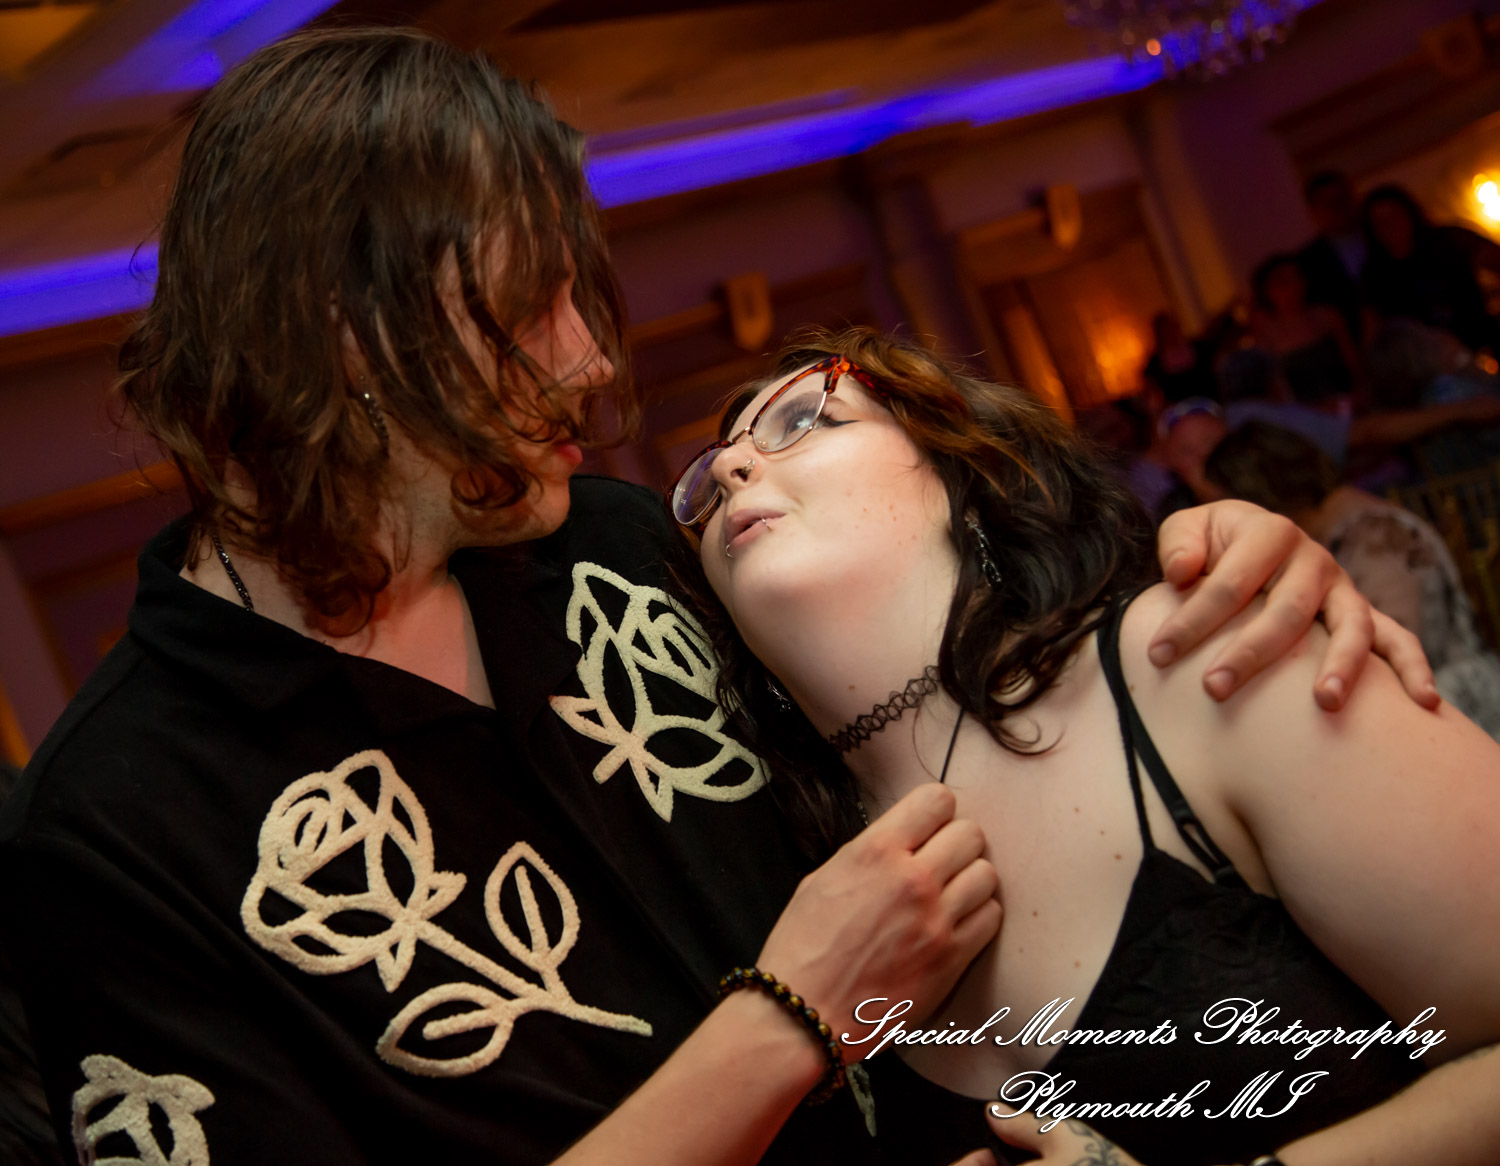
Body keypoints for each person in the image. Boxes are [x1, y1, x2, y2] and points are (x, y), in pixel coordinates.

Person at [0, 28, 1439, 1166]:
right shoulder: (118, 826)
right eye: (527, 309)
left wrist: (1240, 562)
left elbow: (960, 694)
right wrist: (790, 1015)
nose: (590, 368)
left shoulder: (617, 550)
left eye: (582, 298)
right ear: (346, 332)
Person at [667, 327, 1500, 1166]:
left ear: (963, 474)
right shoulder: (784, 884)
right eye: (711, 471)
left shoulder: (1201, 659)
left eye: (807, 420)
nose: (734, 469)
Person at [1206, 421, 1500, 740]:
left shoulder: (1373, 534)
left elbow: (1404, 645)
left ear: (1259, 494)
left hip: (1459, 710)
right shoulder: (1338, 531)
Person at [1361, 184, 1500, 355]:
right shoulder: (1374, 275)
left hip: (1481, 350)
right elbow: (1373, 332)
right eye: (1380, 222)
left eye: (1395, 216)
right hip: (1426, 370)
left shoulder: (1449, 241)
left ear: (1410, 213)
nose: (1391, 226)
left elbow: (1492, 257)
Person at [1248, 253, 1362, 410]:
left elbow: (1355, 364)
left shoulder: (1327, 316)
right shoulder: (1266, 335)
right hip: (1308, 415)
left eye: (1297, 278)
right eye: (1283, 282)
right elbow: (1276, 389)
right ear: (1267, 291)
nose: (1294, 286)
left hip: (1350, 403)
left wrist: (1355, 398)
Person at [1296, 170, 1367, 341]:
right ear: (1314, 210)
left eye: (1342, 199)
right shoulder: (1307, 262)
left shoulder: (1381, 235)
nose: (1337, 208)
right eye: (1328, 203)